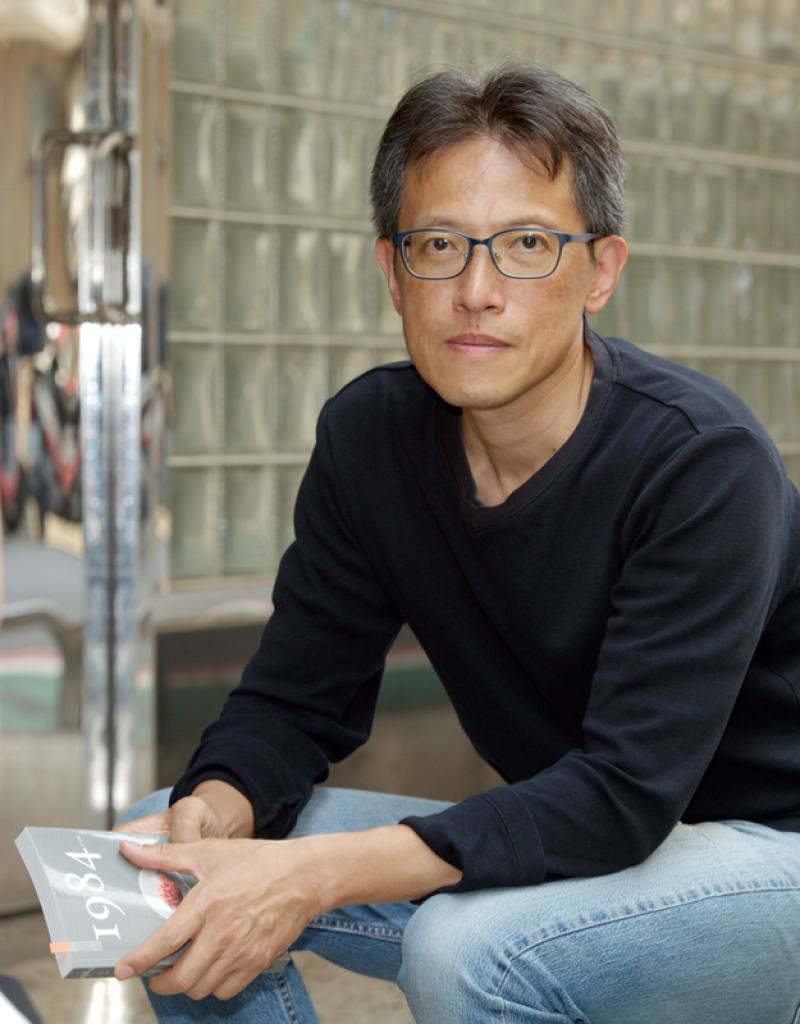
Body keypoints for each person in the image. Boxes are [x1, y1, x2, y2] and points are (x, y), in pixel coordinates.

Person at [115, 62, 800, 1023]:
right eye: (439, 244)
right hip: (587, 848)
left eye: (525, 244)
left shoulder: (700, 462)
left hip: (771, 859)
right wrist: (219, 805)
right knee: (161, 862)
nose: (477, 290)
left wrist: (309, 876)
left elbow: (622, 795)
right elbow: (292, 700)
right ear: (393, 272)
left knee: (467, 951)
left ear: (600, 271)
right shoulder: (372, 442)